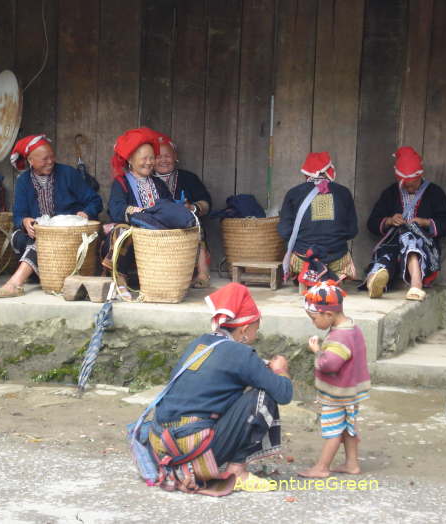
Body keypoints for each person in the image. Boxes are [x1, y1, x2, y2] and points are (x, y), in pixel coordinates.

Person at [150, 283, 293, 494]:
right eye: (256, 328)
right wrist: (281, 371)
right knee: (264, 395)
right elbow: (284, 393)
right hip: (192, 446)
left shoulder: (198, 343)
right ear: (244, 329)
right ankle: (238, 472)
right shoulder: (241, 353)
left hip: (162, 445)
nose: (256, 334)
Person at [0, 135, 103, 298]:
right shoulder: (23, 182)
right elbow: (18, 214)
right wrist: (24, 221)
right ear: (30, 160)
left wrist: (86, 213)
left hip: (66, 236)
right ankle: (33, 275)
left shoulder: (68, 174)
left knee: (42, 242)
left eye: (52, 157)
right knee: (24, 238)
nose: (50, 162)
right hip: (35, 235)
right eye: (44, 159)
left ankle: (14, 283)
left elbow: (95, 200)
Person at [363, 146, 446, 301]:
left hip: (423, 246)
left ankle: (416, 284)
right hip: (394, 243)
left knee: (409, 238)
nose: (410, 187)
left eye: (413, 184)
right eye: (406, 185)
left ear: (421, 175)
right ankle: (374, 281)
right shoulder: (390, 193)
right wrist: (389, 221)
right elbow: (372, 222)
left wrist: (425, 222)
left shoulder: (434, 192)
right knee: (385, 256)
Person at [298, 280, 370, 478]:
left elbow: (330, 364)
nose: (314, 323)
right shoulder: (352, 328)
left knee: (333, 429)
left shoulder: (339, 337)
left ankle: (322, 467)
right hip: (351, 391)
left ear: (328, 314)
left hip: (337, 394)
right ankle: (352, 464)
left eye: (314, 318)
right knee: (348, 427)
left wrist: (317, 351)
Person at [102, 127, 172, 296]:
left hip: (156, 233)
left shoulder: (159, 184)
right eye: (144, 158)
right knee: (122, 232)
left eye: (151, 158)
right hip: (133, 232)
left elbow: (169, 207)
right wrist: (139, 213)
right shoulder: (122, 183)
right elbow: (116, 209)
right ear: (130, 160)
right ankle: (119, 278)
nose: (149, 162)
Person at [278, 152, 358, 289]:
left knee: (296, 256)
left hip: (303, 258)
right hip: (336, 257)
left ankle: (307, 276)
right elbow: (352, 231)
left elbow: (285, 232)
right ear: (329, 171)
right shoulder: (344, 193)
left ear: (306, 174)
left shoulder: (293, 193)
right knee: (343, 259)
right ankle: (335, 276)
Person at [151, 130, 212, 287]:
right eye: (158, 156)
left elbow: (206, 203)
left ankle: (203, 274)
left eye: (168, 156)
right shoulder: (146, 179)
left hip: (186, 223)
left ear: (175, 157)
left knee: (197, 227)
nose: (163, 160)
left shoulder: (188, 178)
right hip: (157, 225)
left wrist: (192, 208)